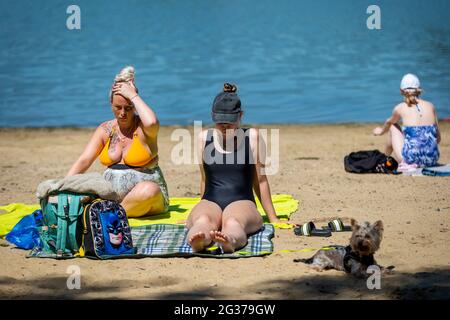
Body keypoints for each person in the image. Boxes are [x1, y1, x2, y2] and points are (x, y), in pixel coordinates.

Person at [186, 83, 281, 253]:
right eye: (220, 122)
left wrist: (273, 218)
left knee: (233, 222)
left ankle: (230, 240)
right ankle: (199, 240)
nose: (224, 127)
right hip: (211, 199)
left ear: (240, 116)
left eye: (229, 123)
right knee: (202, 219)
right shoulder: (203, 138)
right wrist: (202, 205)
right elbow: (204, 179)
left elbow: (260, 181)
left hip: (242, 201)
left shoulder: (252, 137)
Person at [66, 66, 169, 217]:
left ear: (135, 106)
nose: (122, 113)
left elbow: (152, 122)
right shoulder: (106, 129)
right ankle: (113, 212)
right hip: (112, 199)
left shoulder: (144, 130)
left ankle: (109, 216)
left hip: (148, 201)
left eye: (128, 108)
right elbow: (84, 161)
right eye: (118, 107)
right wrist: (62, 187)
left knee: (148, 190)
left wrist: (132, 95)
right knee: (81, 188)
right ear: (111, 105)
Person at [373, 73, 441, 167]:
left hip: (410, 160)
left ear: (401, 91)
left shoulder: (400, 108)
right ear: (419, 90)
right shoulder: (430, 106)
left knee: (393, 125)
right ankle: (384, 158)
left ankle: (383, 159)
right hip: (432, 159)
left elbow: (389, 122)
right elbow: (438, 139)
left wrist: (380, 131)